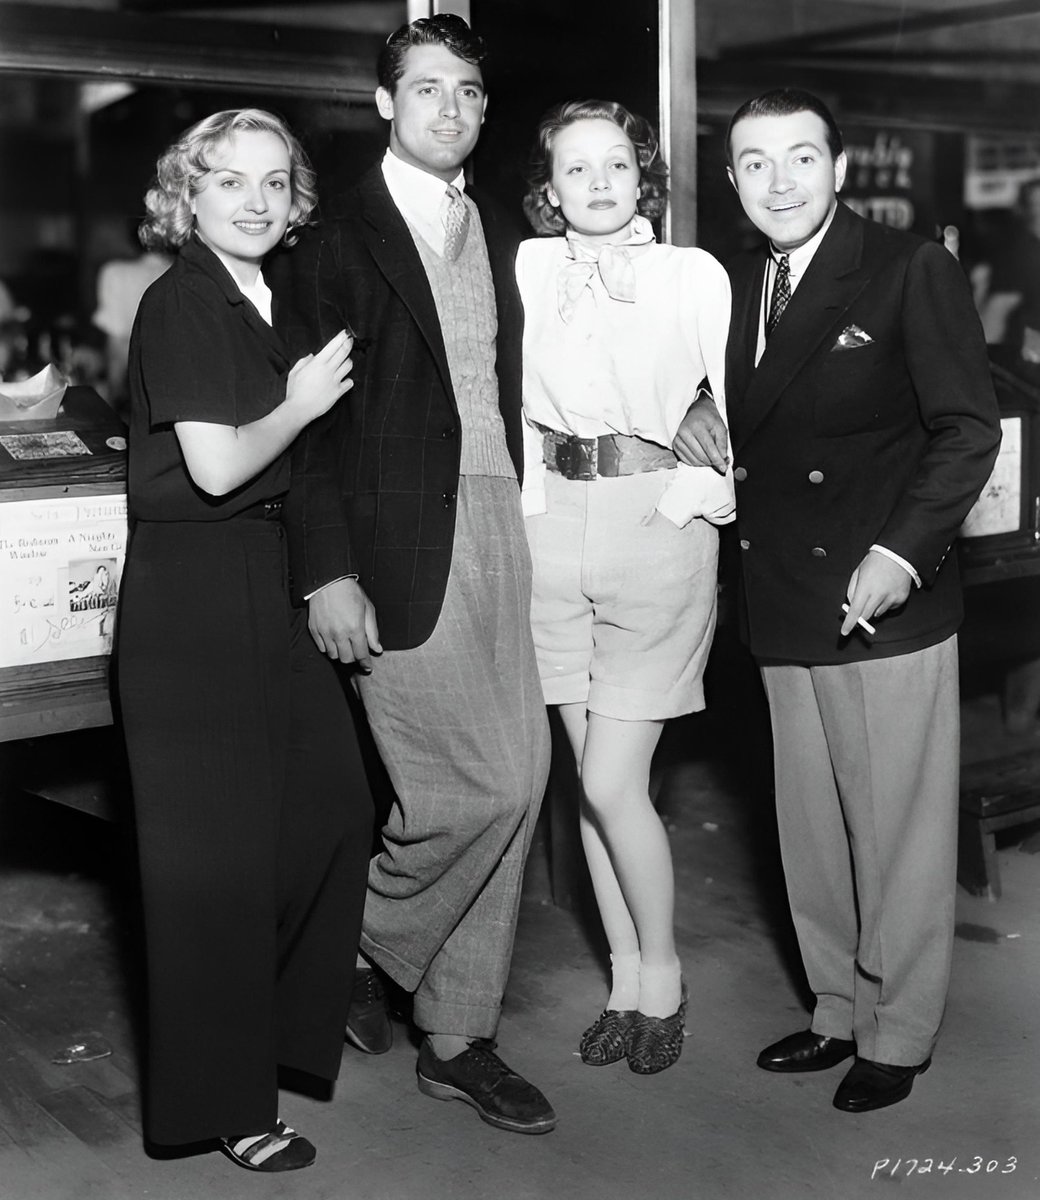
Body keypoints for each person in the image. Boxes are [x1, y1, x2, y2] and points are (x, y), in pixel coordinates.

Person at [672, 88, 1001, 1112]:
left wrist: (900, 554)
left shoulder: (909, 269)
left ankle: (896, 1032)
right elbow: (738, 406)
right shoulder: (731, 286)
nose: (779, 181)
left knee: (895, 833)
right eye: (755, 163)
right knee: (810, 829)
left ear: (840, 168)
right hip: (779, 591)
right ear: (731, 181)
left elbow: (964, 431)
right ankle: (833, 1009)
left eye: (800, 159)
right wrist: (694, 418)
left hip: (877, 598)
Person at [272, 15, 555, 1134]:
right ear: (383, 102)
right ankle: (348, 941)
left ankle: (457, 1039)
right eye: (427, 89)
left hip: (497, 521)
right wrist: (325, 572)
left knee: (523, 779)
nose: (451, 108)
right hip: (390, 549)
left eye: (469, 92)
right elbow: (306, 432)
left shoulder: (489, 226)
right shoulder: (331, 237)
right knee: (468, 789)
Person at [116, 108, 373, 1171]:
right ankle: (229, 1101)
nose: (257, 201)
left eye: (275, 182)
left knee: (329, 813)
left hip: (263, 582)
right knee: (211, 868)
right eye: (230, 182)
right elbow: (218, 470)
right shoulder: (181, 301)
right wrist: (304, 402)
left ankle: (277, 1040)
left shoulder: (267, 296)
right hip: (192, 598)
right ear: (189, 194)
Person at [516, 100, 733, 1073]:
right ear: (547, 186)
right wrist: (527, 518)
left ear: (642, 176)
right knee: (588, 788)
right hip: (550, 530)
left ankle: (667, 978)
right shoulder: (525, 268)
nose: (597, 183)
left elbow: (738, 405)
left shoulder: (691, 274)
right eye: (575, 169)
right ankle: (624, 984)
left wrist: (687, 503)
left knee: (613, 780)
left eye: (615, 164)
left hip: (654, 522)